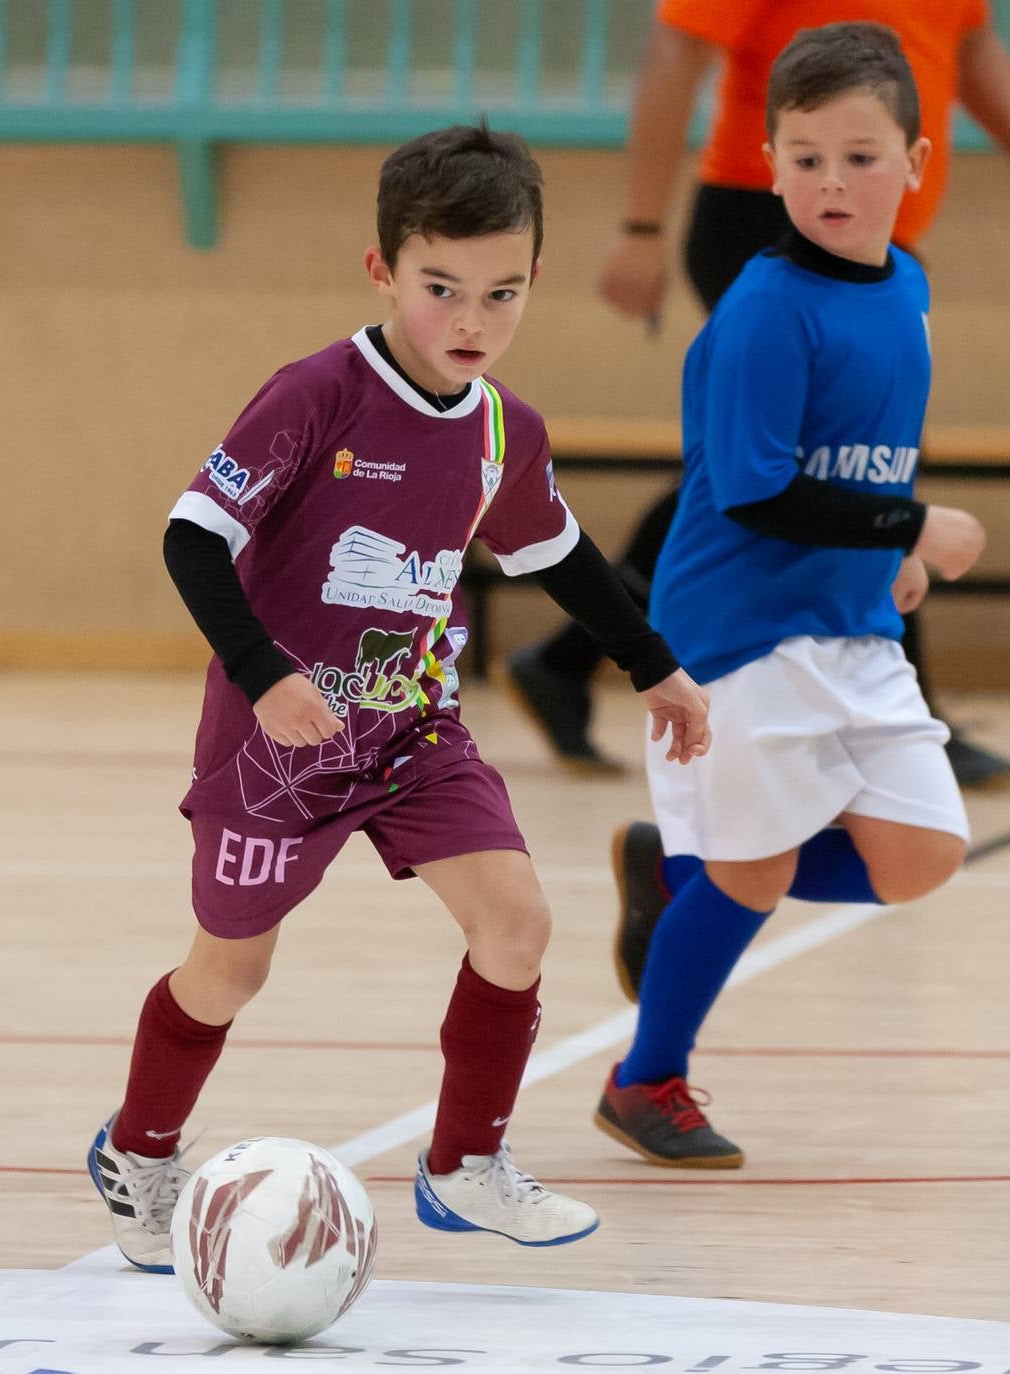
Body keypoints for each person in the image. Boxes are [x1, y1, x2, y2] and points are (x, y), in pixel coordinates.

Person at [86, 123, 712, 1267]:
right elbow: (191, 539)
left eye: (501, 293)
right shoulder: (315, 396)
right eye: (441, 289)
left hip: (413, 730)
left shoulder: (504, 430)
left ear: (534, 280)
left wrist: (653, 664)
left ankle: (465, 1165)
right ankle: (139, 1149)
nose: (471, 320)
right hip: (277, 745)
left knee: (516, 922)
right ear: (381, 270)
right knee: (231, 970)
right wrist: (265, 674)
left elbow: (561, 555)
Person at [592, 24, 983, 1167]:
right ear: (767, 166)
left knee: (922, 853)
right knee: (755, 870)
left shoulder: (905, 285)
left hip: (850, 622)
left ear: (916, 163)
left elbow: (866, 449)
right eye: (805, 159)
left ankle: (681, 872)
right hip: (737, 632)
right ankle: (644, 1079)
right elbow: (758, 490)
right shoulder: (765, 309)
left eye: (860, 158)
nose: (831, 183)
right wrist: (912, 526)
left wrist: (887, 553)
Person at [506, 0, 1010, 789]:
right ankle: (904, 717)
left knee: (790, 461)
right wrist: (640, 227)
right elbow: (674, 53)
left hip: (876, 232)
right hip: (761, 213)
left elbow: (967, 40)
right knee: (802, 463)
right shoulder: (772, 281)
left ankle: (567, 658)